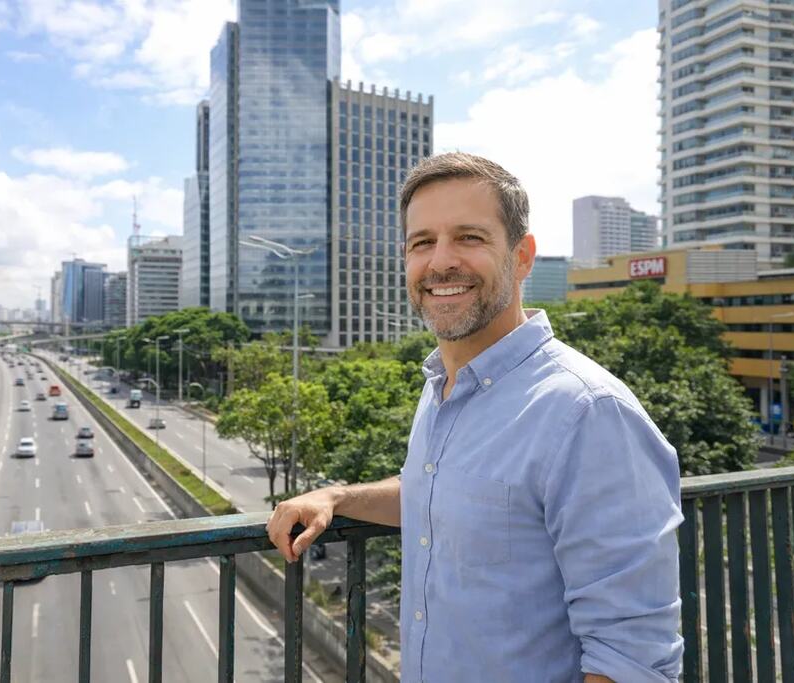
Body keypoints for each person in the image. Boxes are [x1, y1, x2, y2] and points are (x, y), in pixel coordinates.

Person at [266, 153, 683, 682]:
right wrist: (339, 497)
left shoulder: (588, 412)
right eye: (422, 243)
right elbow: (440, 492)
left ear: (522, 257)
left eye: (469, 237)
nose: (441, 262)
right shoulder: (442, 385)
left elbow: (630, 657)